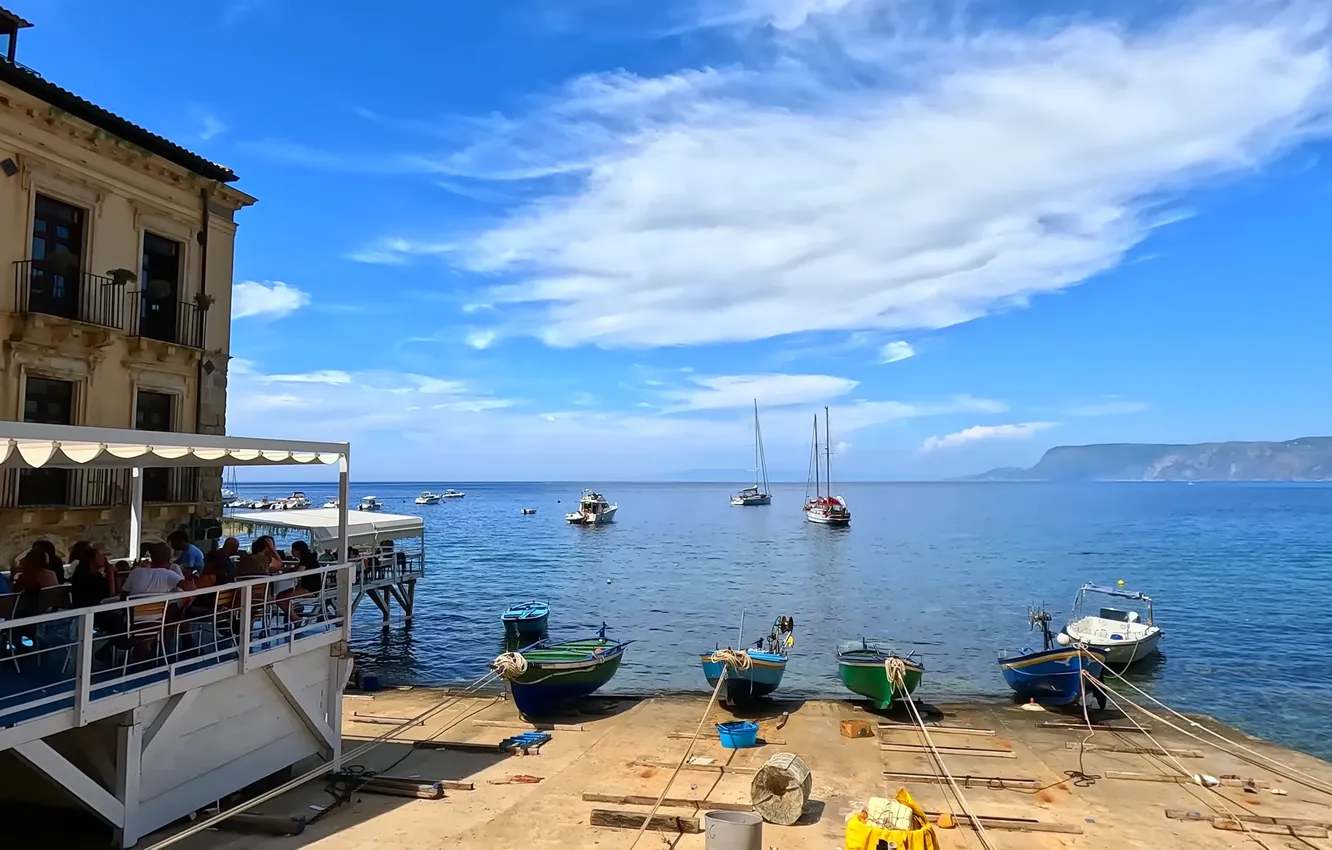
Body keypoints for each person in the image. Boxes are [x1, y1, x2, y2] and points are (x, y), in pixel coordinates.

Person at [122, 542, 192, 596]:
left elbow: (124, 594)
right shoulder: (170, 574)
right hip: (160, 614)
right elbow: (189, 587)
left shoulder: (135, 572)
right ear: (169, 559)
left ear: (151, 557)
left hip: (133, 614)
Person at [69, 542, 117, 608]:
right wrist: (111, 575)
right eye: (100, 555)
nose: (104, 558)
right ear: (92, 559)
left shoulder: (97, 575)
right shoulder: (85, 578)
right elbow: (110, 596)